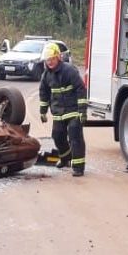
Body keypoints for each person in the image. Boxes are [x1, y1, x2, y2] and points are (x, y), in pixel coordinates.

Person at [39, 42, 88, 177]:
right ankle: (65, 158)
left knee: (75, 137)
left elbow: (81, 89)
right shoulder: (46, 75)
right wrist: (43, 111)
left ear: (58, 57)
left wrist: (82, 111)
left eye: (51, 59)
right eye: (47, 60)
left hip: (73, 111)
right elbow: (44, 94)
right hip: (58, 114)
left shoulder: (69, 70)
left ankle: (78, 167)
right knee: (57, 136)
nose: (49, 62)